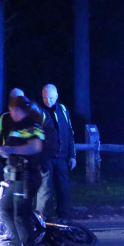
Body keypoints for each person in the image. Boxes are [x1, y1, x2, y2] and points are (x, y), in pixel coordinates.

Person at [0, 95, 45, 246]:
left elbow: (35, 147)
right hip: (16, 176)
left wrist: (9, 149)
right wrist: (3, 151)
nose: (11, 113)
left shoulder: (31, 125)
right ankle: (19, 243)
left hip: (27, 175)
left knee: (21, 214)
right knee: (5, 208)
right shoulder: (18, 126)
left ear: (18, 109)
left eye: (12, 110)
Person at [36, 84, 76, 223]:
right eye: (45, 97)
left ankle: (65, 219)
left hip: (61, 157)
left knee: (64, 189)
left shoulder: (63, 110)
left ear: (57, 96)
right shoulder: (38, 111)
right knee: (45, 190)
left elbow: (69, 133)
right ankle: (42, 220)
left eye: (51, 98)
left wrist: (72, 155)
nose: (48, 100)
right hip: (45, 158)